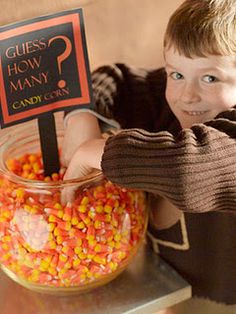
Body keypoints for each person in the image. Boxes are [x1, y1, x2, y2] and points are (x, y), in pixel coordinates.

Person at [61, 0, 236, 313]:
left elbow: (187, 171)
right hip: (172, 288)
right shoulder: (173, 97)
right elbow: (114, 79)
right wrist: (81, 116)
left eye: (210, 78)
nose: (187, 95)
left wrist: (94, 151)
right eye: (176, 73)